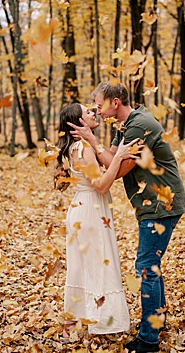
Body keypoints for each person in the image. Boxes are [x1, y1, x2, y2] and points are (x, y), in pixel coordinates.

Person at [69, 82, 185, 353]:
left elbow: (117, 168)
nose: (97, 111)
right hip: (151, 204)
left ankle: (149, 340)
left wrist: (94, 141)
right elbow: (110, 158)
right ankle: (157, 321)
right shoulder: (125, 126)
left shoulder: (139, 125)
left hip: (162, 203)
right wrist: (100, 147)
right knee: (151, 265)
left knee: (145, 267)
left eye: (99, 105)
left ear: (115, 103)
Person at [54, 103, 135, 339]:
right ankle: (101, 323)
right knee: (98, 265)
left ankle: (76, 322)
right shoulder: (81, 148)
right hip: (89, 209)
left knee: (82, 267)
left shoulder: (82, 146)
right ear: (78, 123)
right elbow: (100, 184)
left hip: (85, 208)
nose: (93, 112)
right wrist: (119, 156)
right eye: (87, 112)